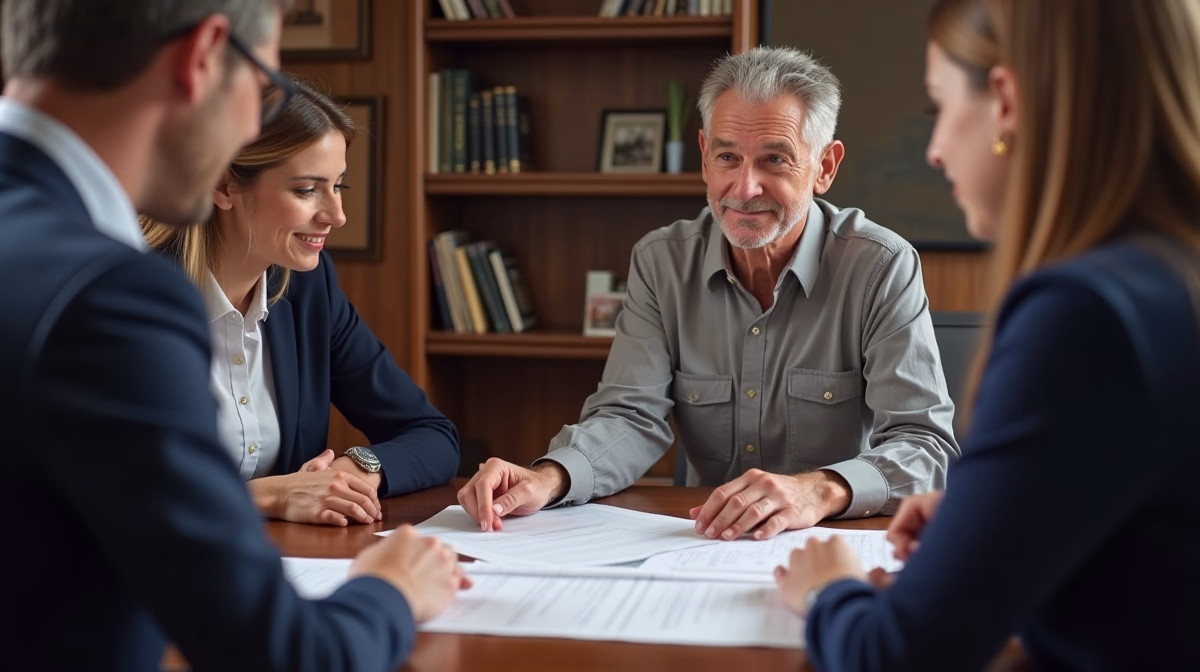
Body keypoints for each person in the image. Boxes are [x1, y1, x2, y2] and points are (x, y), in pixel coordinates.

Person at [0, 2, 466, 670]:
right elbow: (285, 656)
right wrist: (390, 588)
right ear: (202, 57)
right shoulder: (112, 297)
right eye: (264, 87)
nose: (254, 121)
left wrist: (353, 469)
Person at [774, 0, 1200, 670]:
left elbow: (895, 658)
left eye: (938, 107)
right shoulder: (1172, 279)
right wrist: (1007, 518)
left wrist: (830, 592)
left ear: (1005, 101)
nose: (937, 149)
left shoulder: (1083, 315)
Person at [459, 46, 960, 540]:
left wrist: (820, 491)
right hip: (702, 542)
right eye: (727, 157)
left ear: (824, 167)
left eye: (774, 160)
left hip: (832, 541)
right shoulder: (661, 261)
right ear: (703, 157)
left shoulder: (880, 265)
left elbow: (926, 446)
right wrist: (549, 478)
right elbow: (631, 416)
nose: (744, 187)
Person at [142, 77, 459, 528]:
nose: (336, 215)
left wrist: (352, 470)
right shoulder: (132, 292)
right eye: (307, 190)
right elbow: (97, 483)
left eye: (339, 187)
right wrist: (268, 495)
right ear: (224, 185)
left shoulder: (309, 290)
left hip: (279, 566)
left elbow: (432, 435)